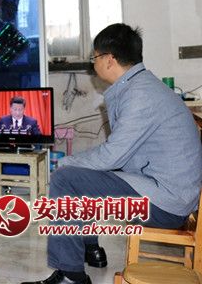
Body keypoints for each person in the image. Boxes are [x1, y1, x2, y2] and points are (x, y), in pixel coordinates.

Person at [23, 23, 202, 284]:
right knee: (82, 174)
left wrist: (66, 162)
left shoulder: (140, 95)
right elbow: (117, 154)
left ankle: (71, 277)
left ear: (109, 59)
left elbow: (111, 156)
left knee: (66, 178)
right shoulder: (140, 87)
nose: (93, 63)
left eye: (94, 57)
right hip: (165, 191)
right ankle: (90, 248)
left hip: (166, 204)